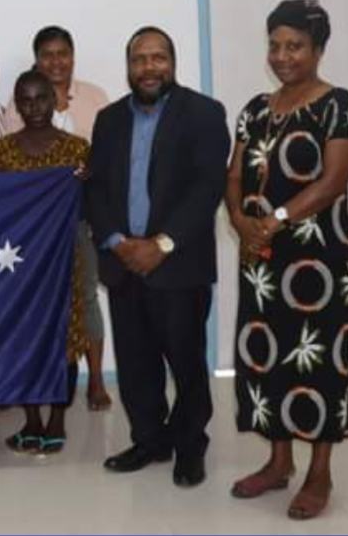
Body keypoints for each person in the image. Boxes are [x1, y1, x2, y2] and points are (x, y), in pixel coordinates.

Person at [227, 0, 348, 520]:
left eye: (295, 46)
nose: (282, 56)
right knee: (266, 357)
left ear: (319, 49)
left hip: (320, 264)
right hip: (262, 262)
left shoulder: (340, 106)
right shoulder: (257, 109)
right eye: (275, 45)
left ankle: (319, 473)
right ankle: (278, 462)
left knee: (319, 362)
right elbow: (234, 174)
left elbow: (333, 182)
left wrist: (276, 218)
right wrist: (243, 222)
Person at [89, 26, 230, 488]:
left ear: (173, 62)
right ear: (128, 67)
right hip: (123, 261)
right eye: (139, 59)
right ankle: (150, 440)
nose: (149, 67)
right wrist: (116, 241)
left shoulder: (204, 114)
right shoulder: (109, 119)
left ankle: (190, 447)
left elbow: (207, 187)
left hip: (179, 265)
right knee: (134, 363)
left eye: (158, 58)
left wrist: (162, 244)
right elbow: (97, 189)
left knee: (186, 363)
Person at [9, 26, 113, 410]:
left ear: (73, 56)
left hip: (81, 218)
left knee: (85, 296)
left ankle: (97, 381)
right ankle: (39, 378)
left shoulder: (96, 98)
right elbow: (15, 162)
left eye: (62, 53)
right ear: (37, 59)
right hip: (34, 227)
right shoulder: (18, 102)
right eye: (47, 54)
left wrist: (91, 169)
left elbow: (108, 157)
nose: (56, 61)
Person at [0, 70, 88, 456]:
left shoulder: (78, 150)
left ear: (54, 100)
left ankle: (57, 422)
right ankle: (31, 422)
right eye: (25, 100)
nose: (34, 108)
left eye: (41, 98)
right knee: (22, 342)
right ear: (16, 104)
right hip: (14, 268)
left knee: (65, 340)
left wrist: (86, 181)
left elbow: (91, 205)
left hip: (63, 262)